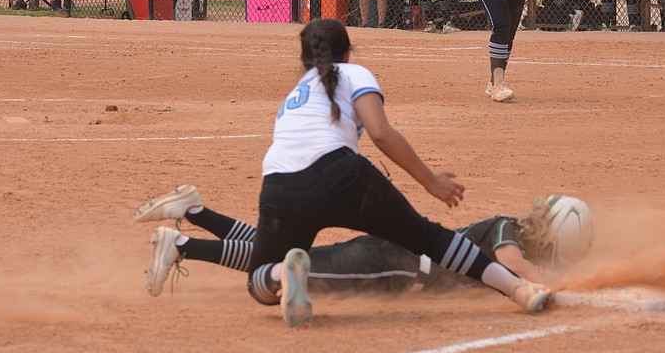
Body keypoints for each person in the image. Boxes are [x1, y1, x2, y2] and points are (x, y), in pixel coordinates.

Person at [145, 19, 553, 327]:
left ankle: (279, 272)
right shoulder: (354, 73)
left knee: (258, 279)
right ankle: (519, 289)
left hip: (279, 188)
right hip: (342, 176)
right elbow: (380, 132)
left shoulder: (294, 94)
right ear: (348, 52)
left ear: (305, 59)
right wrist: (431, 181)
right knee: (429, 238)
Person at [136, 186, 594, 295]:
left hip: (397, 254)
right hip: (401, 264)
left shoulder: (509, 228)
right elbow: (513, 263)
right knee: (298, 269)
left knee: (281, 253)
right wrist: (565, 286)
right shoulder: (508, 229)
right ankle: (182, 245)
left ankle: (196, 214)